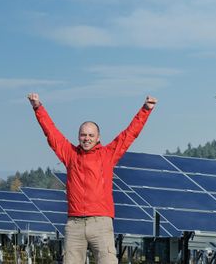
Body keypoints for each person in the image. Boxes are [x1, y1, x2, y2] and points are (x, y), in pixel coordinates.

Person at [27, 93, 157, 264]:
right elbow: (51, 133)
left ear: (98, 138)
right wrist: (38, 107)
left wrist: (145, 110)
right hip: (75, 225)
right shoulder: (70, 154)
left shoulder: (107, 154)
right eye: (83, 135)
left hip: (101, 223)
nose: (86, 139)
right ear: (78, 136)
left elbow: (129, 134)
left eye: (90, 135)